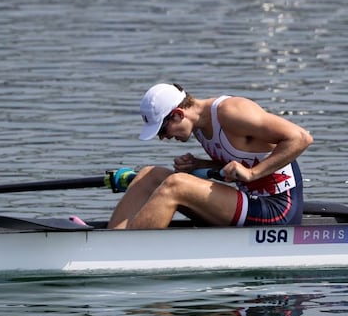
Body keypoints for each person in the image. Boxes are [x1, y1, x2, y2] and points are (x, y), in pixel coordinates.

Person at [108, 83, 312, 229]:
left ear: (179, 114)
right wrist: (199, 164)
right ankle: (111, 242)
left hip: (278, 209)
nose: (163, 138)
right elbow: (242, 160)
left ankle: (128, 252)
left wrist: (253, 174)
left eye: (162, 130)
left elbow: (300, 138)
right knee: (150, 175)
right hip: (251, 203)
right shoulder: (198, 126)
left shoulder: (232, 112)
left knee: (175, 185)